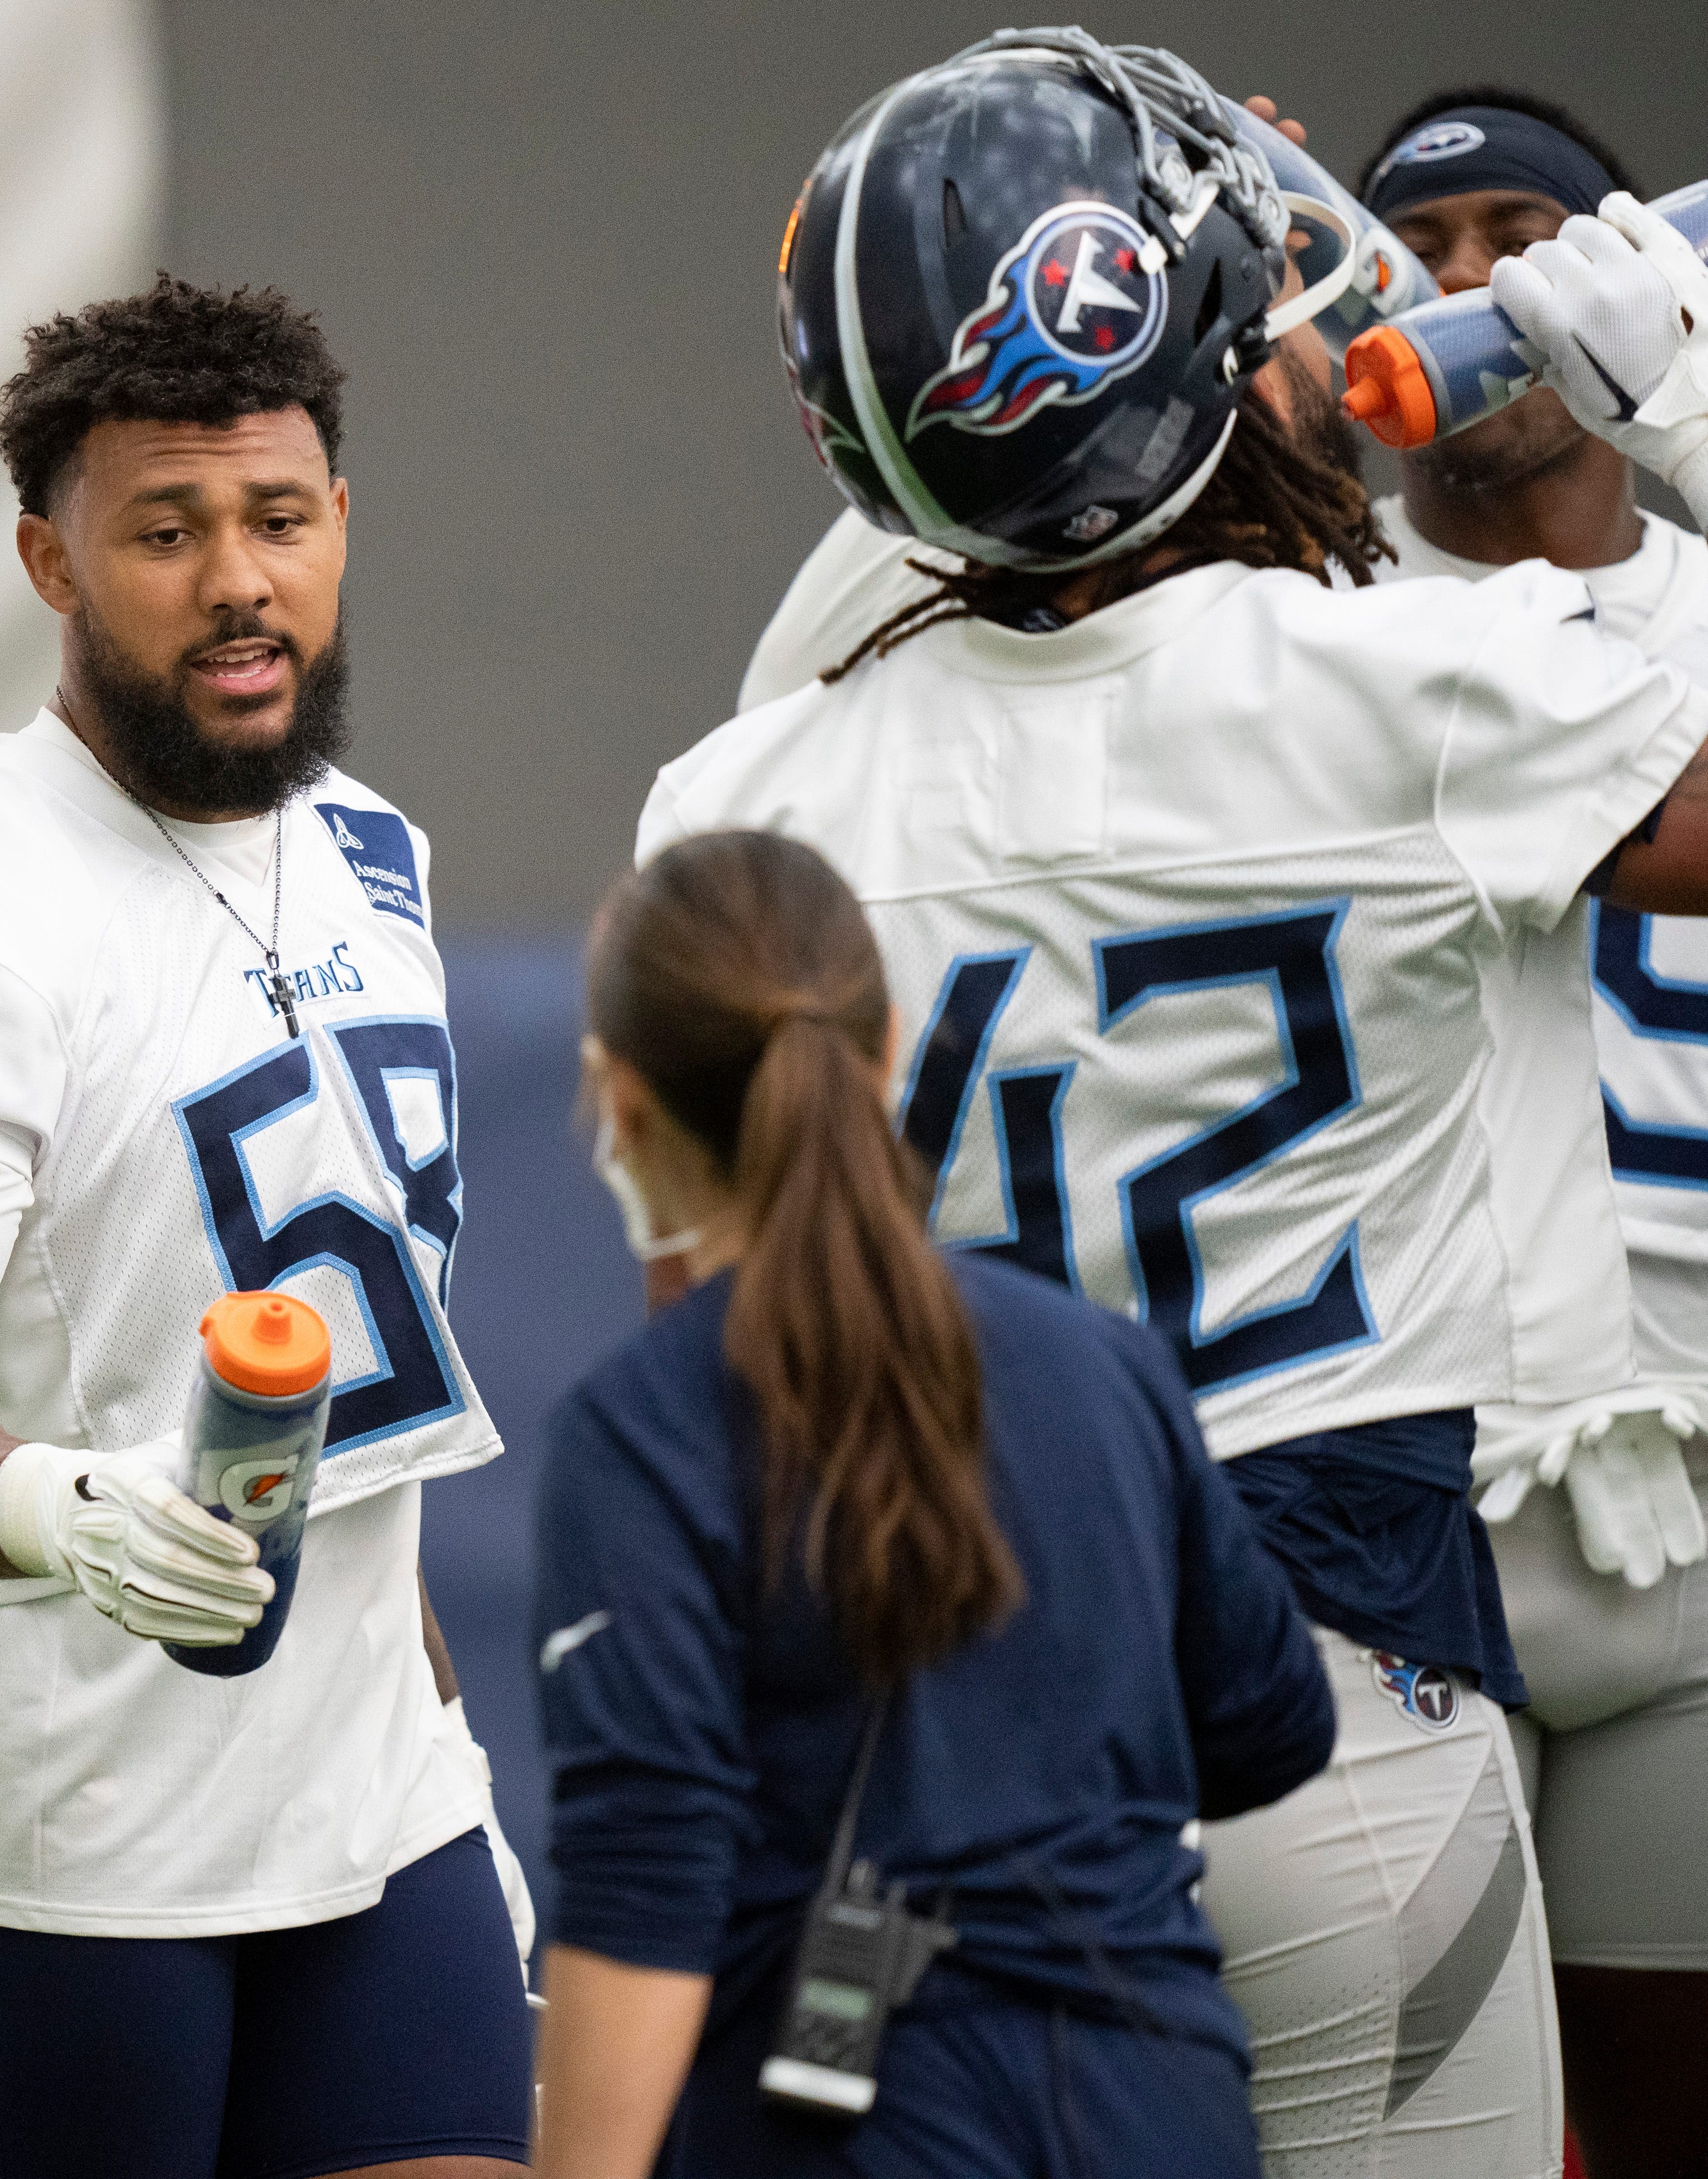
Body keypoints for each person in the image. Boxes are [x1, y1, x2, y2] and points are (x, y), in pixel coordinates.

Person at [644, 29, 1708, 2178]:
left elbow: (700, 1325)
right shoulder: (1410, 688)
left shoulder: (733, 796)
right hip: (1333, 1721)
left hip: (900, 1754)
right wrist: (1676, 411)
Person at [0, 276, 531, 2176]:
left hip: (374, 1799)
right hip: (57, 1834)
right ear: (50, 560)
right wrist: (58, 1506)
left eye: (274, 518)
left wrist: (432, 1721)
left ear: (338, 517)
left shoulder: (368, 844)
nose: (234, 580)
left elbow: (355, 1362)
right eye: (162, 533)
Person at [532, 829, 1333, 2177]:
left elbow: (644, 1893)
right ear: (889, 1045)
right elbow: (1268, 1722)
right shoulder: (1102, 1363)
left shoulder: (643, 1431)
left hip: (843, 2129)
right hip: (1160, 2105)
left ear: (619, 1104)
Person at [1355, 92, 1708, 2179]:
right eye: (1424, 241)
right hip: (1407, 1480)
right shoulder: (1291, 609)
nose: (1477, 283)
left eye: (1524, 233)